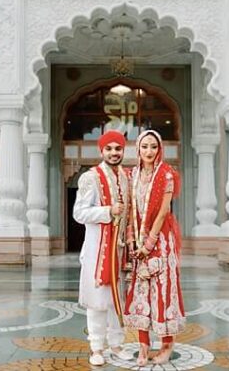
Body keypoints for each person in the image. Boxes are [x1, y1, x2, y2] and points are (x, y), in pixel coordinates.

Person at [73, 129, 136, 367]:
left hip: (120, 251)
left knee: (116, 300)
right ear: (102, 151)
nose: (114, 153)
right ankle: (96, 347)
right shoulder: (90, 178)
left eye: (118, 148)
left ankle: (117, 345)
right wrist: (107, 211)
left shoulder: (126, 177)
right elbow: (79, 213)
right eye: (109, 149)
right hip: (97, 250)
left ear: (123, 150)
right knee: (98, 300)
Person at [124, 129, 185, 366]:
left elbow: (163, 213)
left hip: (160, 241)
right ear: (138, 149)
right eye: (144, 146)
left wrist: (148, 245)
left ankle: (167, 346)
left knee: (163, 293)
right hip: (138, 243)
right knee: (140, 293)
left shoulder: (167, 174)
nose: (149, 151)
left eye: (153, 146)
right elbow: (130, 211)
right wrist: (132, 242)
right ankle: (143, 347)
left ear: (159, 149)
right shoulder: (132, 175)